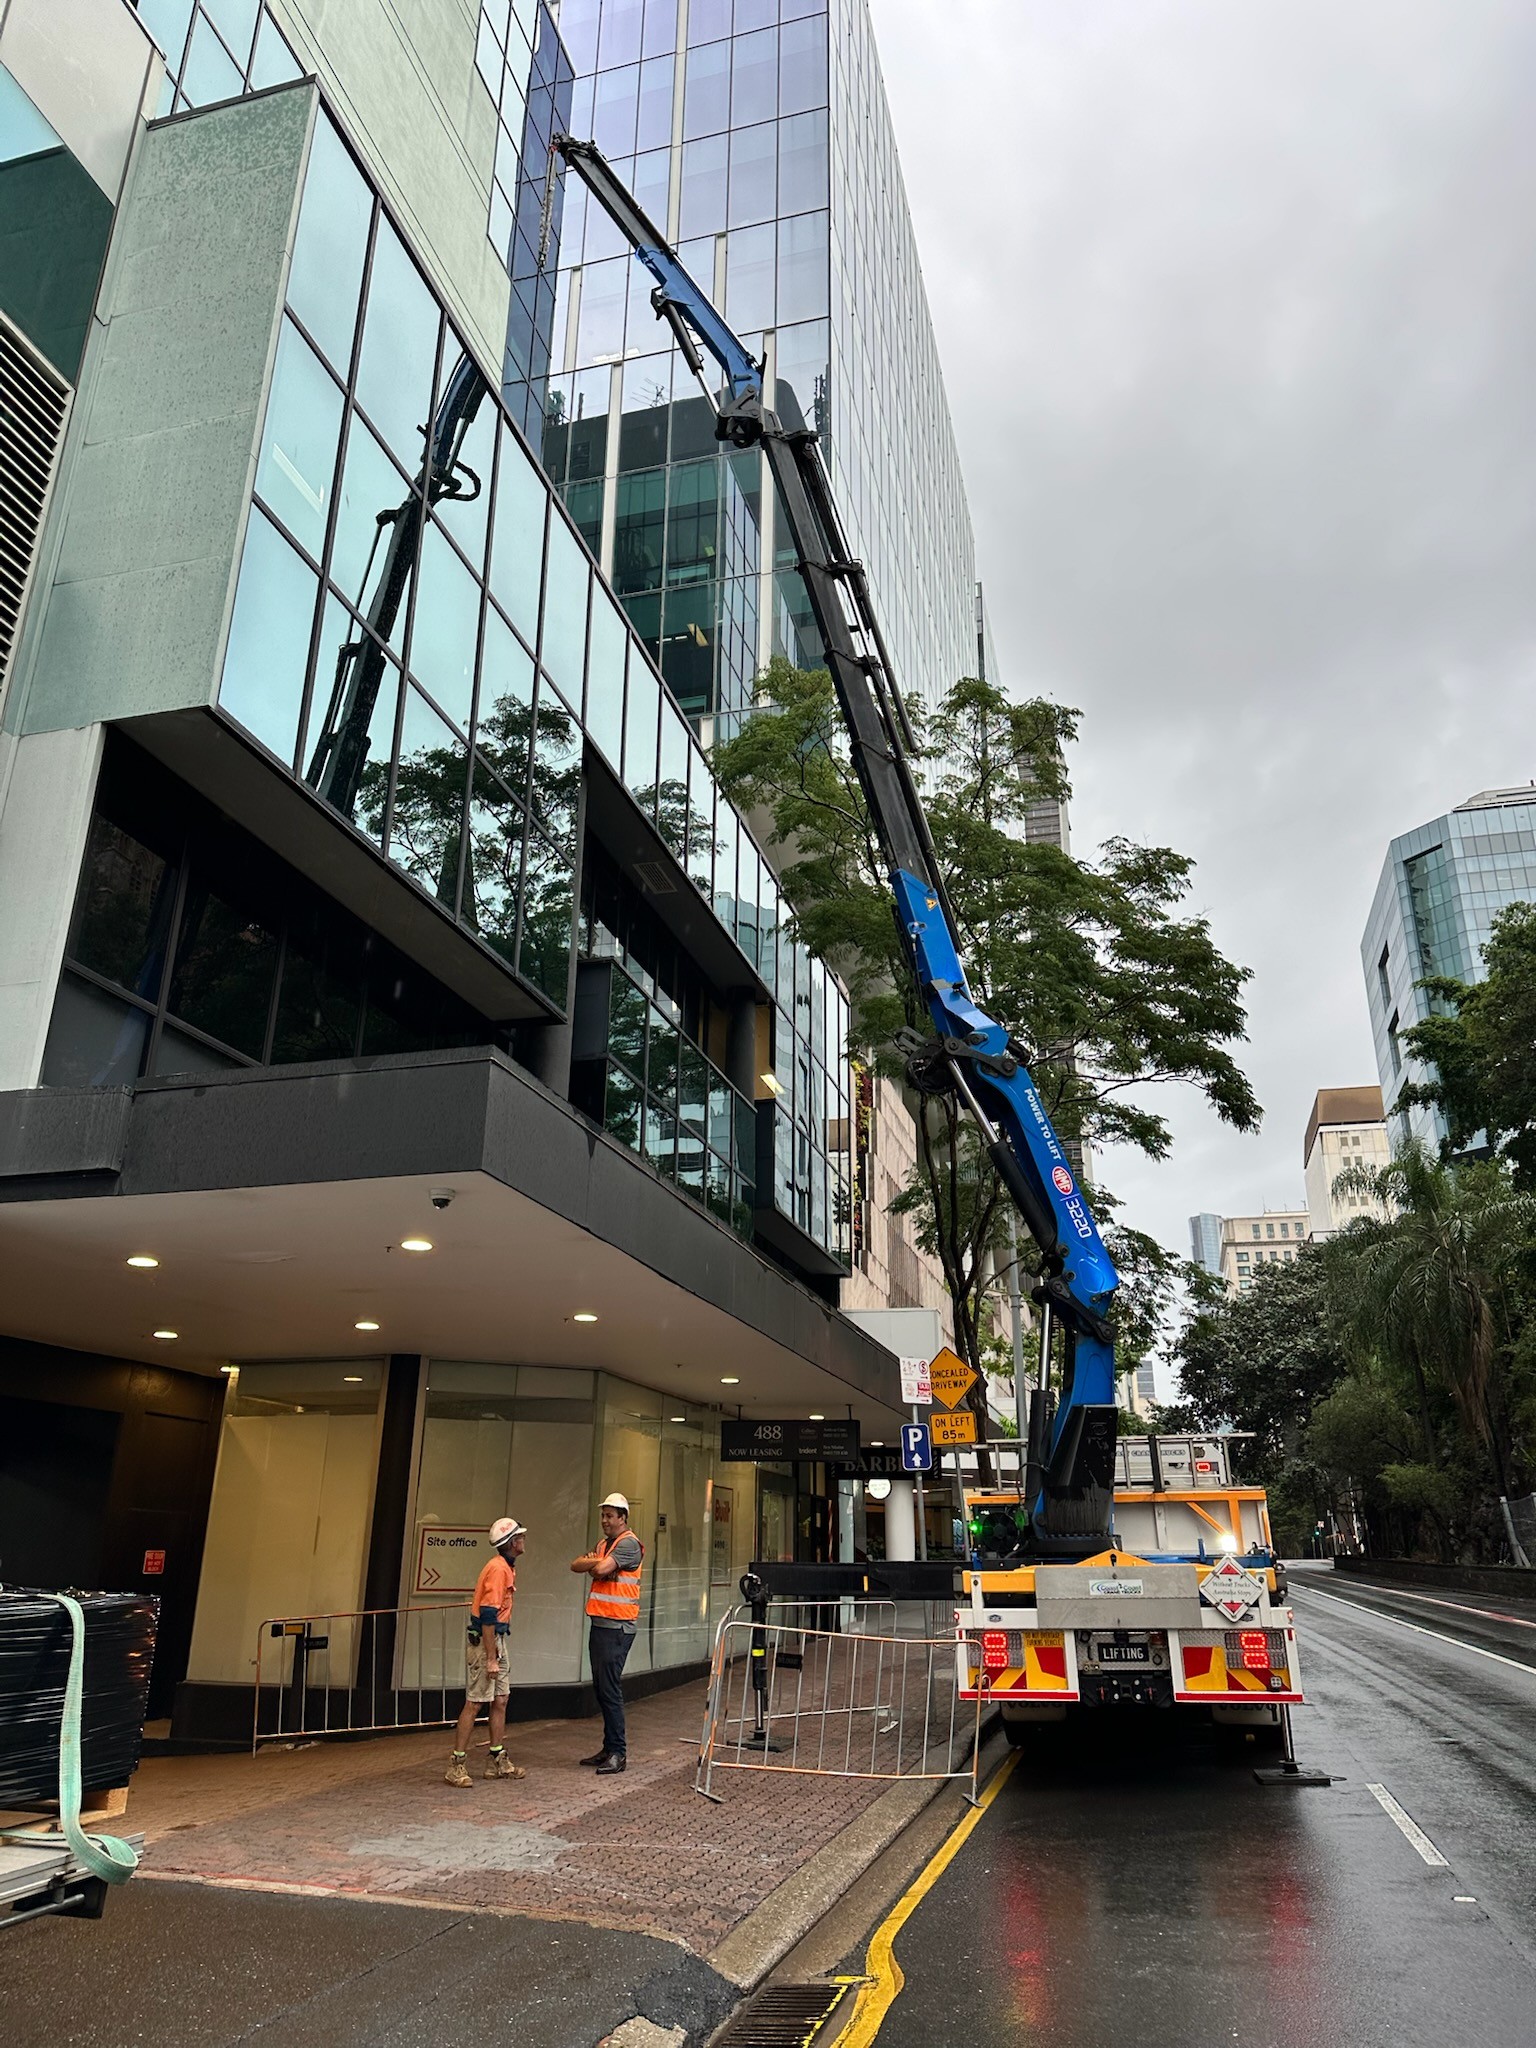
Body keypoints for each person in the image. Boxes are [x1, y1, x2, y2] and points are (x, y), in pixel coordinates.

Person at [445, 1516, 527, 1787]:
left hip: (496, 1640)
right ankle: (456, 1764)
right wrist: (491, 1657)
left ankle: (496, 1759)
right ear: (512, 1542)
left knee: (501, 1699)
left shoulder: (505, 1566)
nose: (523, 1540)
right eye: (520, 1537)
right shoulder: (498, 1569)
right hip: (486, 1643)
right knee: (475, 1701)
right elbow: (488, 1616)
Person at [570, 1492, 643, 1774]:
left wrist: (596, 1565)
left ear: (623, 1518)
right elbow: (576, 1565)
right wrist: (595, 1565)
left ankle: (618, 1752)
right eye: (603, 1515)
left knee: (610, 1691)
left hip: (617, 1628)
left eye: (610, 1516)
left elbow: (598, 1567)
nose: (605, 1521)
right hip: (601, 1625)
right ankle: (608, 1747)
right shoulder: (604, 1544)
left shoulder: (628, 1545)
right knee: (602, 1690)